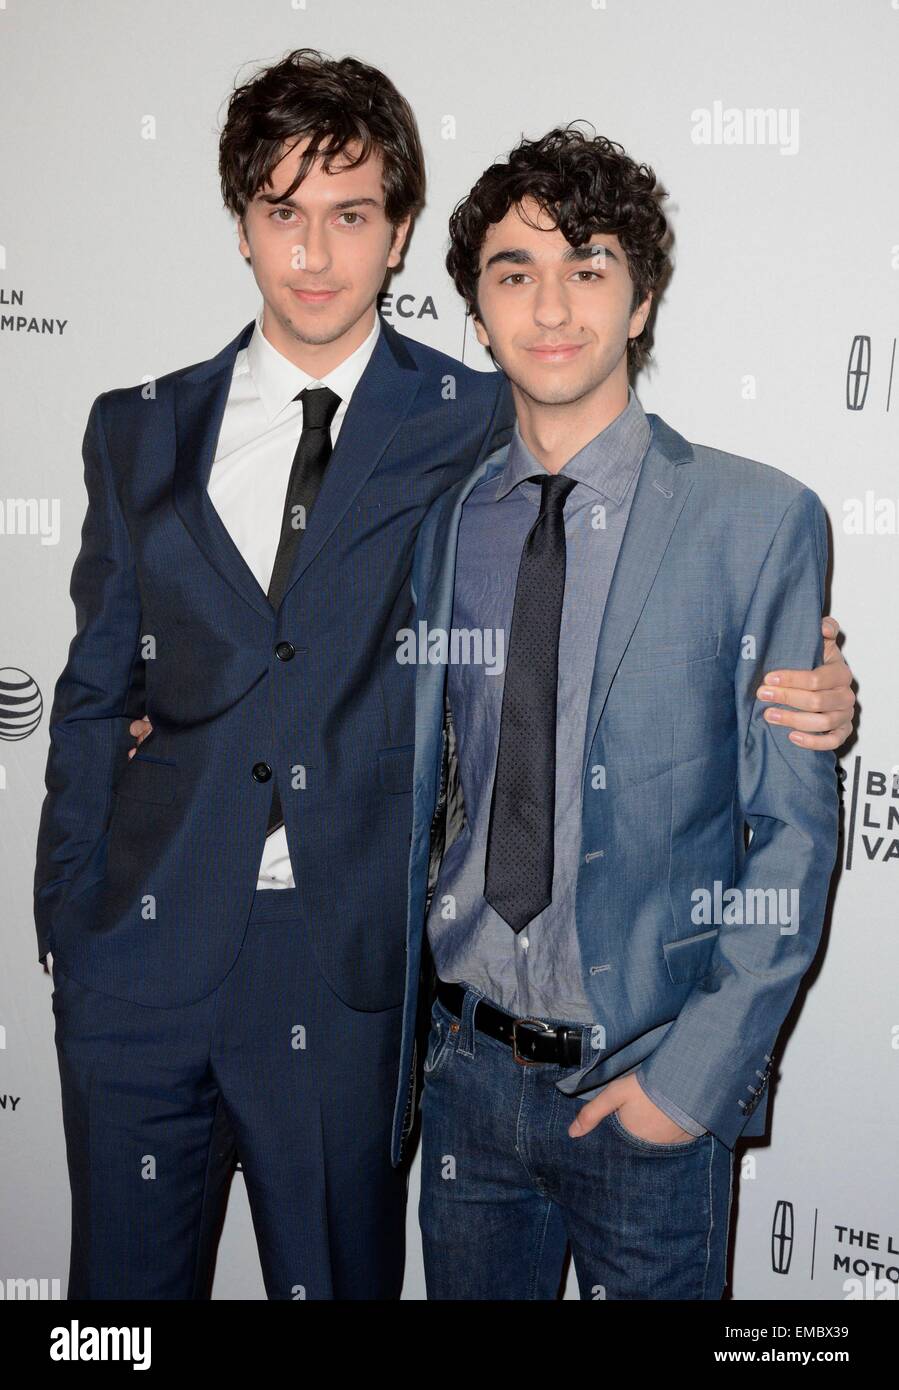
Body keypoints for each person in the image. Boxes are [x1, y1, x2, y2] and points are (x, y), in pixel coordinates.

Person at [33, 48, 516, 1301]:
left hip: (336, 960)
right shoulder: (136, 427)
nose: (314, 252)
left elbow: (602, 541)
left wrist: (782, 656)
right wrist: (69, 927)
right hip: (136, 959)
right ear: (241, 226)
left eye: (349, 214)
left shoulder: (469, 419)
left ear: (399, 232)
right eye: (281, 212)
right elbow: (90, 692)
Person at [402, 125, 848, 1300]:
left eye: (587, 265)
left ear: (640, 300)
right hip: (461, 1073)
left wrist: (691, 1083)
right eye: (514, 272)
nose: (550, 305)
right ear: (477, 308)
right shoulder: (443, 525)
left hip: (645, 1084)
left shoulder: (756, 520)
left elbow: (791, 835)